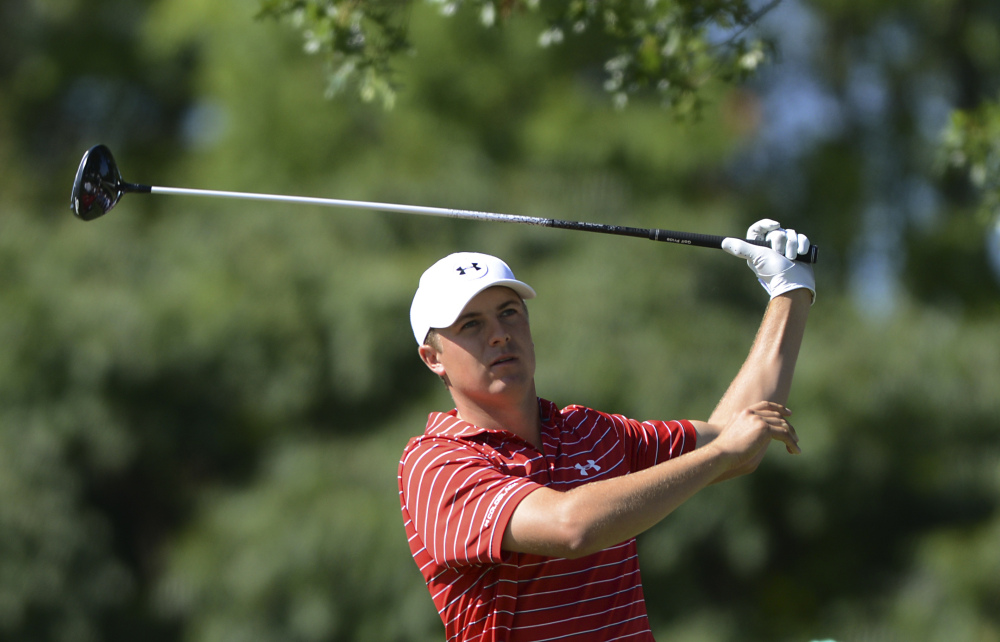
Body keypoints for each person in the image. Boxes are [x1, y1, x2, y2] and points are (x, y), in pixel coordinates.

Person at [397, 219, 815, 642]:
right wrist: (722, 451)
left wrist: (789, 291)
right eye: (471, 324)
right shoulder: (435, 464)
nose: (500, 335)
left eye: (509, 313)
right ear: (433, 358)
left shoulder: (591, 432)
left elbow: (739, 436)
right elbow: (570, 527)